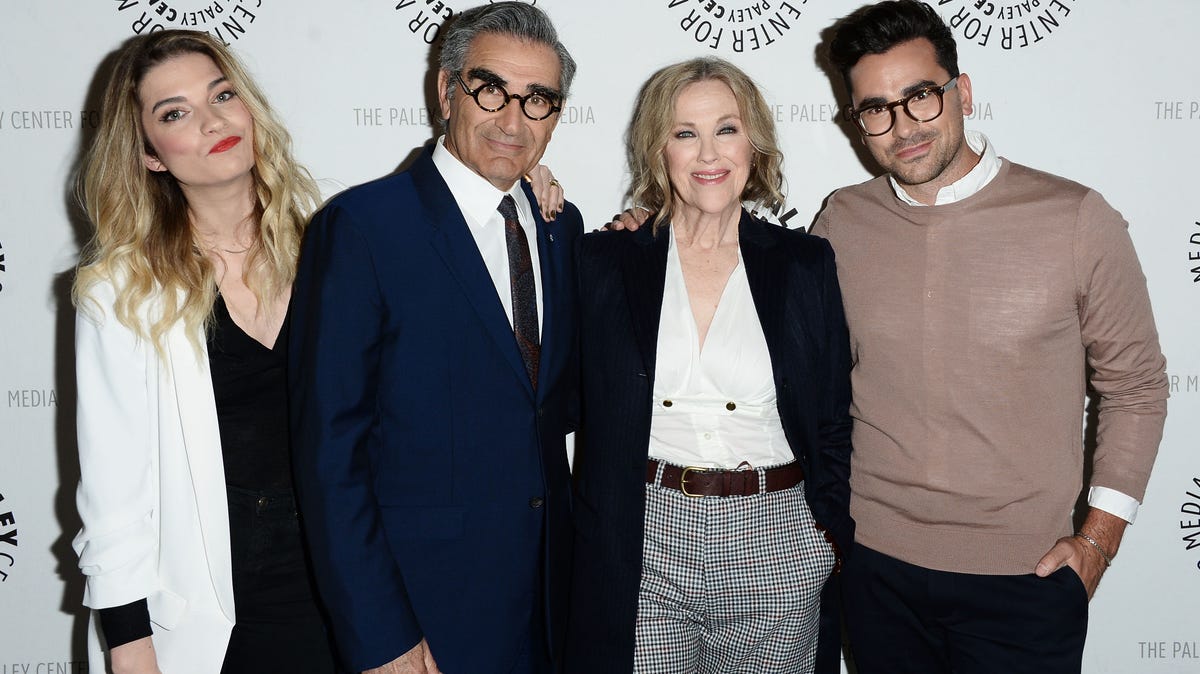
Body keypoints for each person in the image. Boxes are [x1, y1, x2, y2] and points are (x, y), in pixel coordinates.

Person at [812, 2, 1169, 672]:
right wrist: (651, 229)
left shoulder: (1074, 218)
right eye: (876, 109)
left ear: (963, 91)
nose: (903, 127)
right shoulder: (841, 221)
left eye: (920, 97)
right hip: (873, 570)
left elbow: (1137, 387)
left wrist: (1097, 543)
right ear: (858, 122)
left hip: (1025, 582)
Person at [288, 3, 581, 673]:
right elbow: (331, 455)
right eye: (491, 90)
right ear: (446, 91)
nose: (513, 121)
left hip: (550, 612)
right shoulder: (363, 227)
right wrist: (380, 634)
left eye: (538, 99)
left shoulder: (561, 226)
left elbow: (557, 404)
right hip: (421, 617)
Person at [566, 57, 853, 674]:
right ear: (657, 149)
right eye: (684, 132)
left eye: (726, 128)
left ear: (755, 142)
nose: (708, 153)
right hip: (642, 536)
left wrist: (824, 536)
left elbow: (834, 416)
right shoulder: (602, 262)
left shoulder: (805, 264)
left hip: (777, 537)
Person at [71, 29, 336, 674]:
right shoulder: (123, 290)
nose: (213, 119)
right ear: (150, 155)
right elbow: (114, 494)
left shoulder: (336, 250)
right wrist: (130, 648)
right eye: (175, 112)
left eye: (222, 95)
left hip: (347, 604)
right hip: (213, 624)